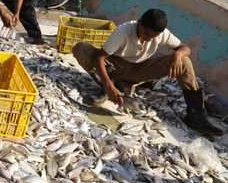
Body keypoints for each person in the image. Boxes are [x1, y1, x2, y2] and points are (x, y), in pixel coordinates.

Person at [72, 9, 223, 137]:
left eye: (153, 37)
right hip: (115, 66)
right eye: (146, 34)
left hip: (139, 70)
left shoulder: (161, 34)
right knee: (81, 48)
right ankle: (107, 88)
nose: (149, 39)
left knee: (184, 61)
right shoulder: (123, 31)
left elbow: (186, 48)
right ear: (139, 23)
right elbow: (100, 58)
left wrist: (177, 55)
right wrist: (109, 86)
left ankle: (196, 115)